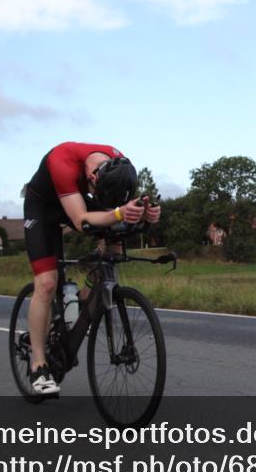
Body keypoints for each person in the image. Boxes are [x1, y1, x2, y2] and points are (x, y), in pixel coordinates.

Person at [22, 142, 161, 395]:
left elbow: (120, 208)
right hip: (44, 208)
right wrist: (118, 214)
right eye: (96, 192)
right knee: (47, 282)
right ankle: (38, 365)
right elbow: (81, 220)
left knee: (114, 249)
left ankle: (84, 299)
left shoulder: (119, 166)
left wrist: (144, 215)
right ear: (91, 177)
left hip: (77, 200)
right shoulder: (62, 160)